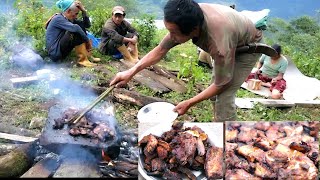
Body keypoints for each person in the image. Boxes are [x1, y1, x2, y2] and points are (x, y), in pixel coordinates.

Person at [109, 0, 275, 122]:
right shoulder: (187, 18)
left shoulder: (218, 43)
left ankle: (227, 138)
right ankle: (217, 121)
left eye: (173, 33)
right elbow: (160, 50)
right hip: (230, 40)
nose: (170, 37)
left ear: (194, 30)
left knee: (224, 96)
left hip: (247, 48)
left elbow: (221, 84)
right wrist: (130, 72)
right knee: (214, 94)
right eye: (169, 30)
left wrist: (190, 102)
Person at [45, 0, 100, 67]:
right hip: (55, 53)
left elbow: (87, 25)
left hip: (60, 49)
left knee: (79, 25)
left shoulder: (68, 19)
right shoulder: (58, 18)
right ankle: (82, 61)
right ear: (68, 11)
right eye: (76, 13)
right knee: (75, 30)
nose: (76, 16)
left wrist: (84, 11)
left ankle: (87, 56)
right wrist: (87, 41)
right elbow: (76, 28)